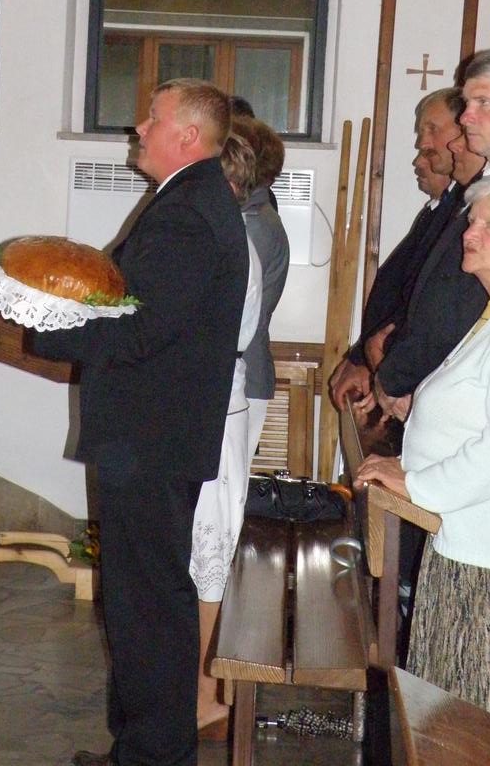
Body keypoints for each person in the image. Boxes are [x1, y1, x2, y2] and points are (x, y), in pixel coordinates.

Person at [31, 80, 250, 766]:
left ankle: (153, 756)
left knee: (146, 606)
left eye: (152, 119)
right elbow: (132, 303)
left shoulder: (187, 213)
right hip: (156, 437)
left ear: (187, 135)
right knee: (145, 601)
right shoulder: (191, 199)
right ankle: (146, 747)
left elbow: (141, 329)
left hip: (151, 440)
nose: (139, 128)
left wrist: (46, 327)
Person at [355, 176, 490, 711]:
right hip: (457, 549)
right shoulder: (484, 319)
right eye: (472, 221)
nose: (469, 233)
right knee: (440, 714)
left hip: (479, 565)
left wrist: (415, 483)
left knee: (462, 720)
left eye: (486, 226)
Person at [332, 89, 481, 411]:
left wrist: (388, 373)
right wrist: (363, 356)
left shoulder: (471, 212)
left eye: (432, 129)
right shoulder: (445, 209)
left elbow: (443, 308)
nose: (421, 145)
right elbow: (405, 288)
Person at [189, 133, 262, 738]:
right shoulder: (226, 234)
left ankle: (209, 696)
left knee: (209, 555)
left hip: (215, 402)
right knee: (201, 552)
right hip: (215, 399)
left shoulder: (230, 240)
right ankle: (200, 690)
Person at [230, 116, 290, 463]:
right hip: (242, 371)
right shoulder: (251, 216)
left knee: (223, 489)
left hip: (244, 375)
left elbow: (235, 311)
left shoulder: (255, 224)